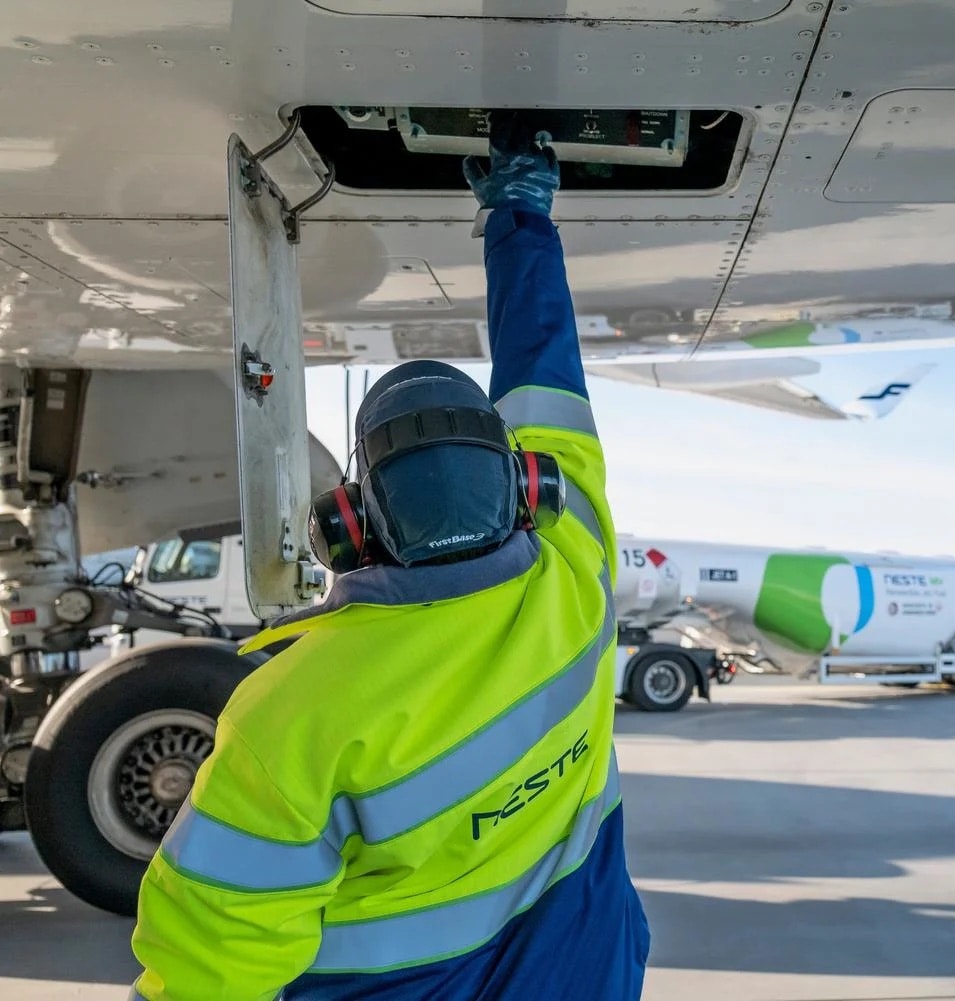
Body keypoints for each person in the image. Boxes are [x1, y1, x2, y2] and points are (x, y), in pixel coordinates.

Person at [129, 126, 650, 1000]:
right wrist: (520, 215)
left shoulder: (293, 714)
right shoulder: (575, 571)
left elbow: (215, 955)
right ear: (531, 486)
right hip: (581, 966)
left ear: (348, 526)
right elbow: (546, 368)